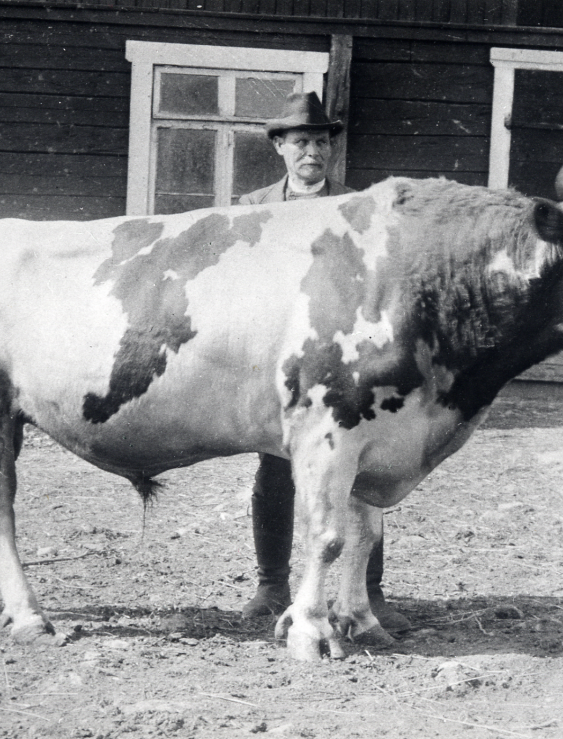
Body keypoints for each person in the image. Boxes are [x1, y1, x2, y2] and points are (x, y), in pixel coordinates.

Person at [237, 91, 410, 633]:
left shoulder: (359, 209)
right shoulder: (249, 208)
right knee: (275, 466)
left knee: (356, 473)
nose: (311, 151)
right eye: (300, 142)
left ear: (331, 148)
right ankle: (270, 586)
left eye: (320, 141)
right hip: (276, 355)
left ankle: (370, 592)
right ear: (280, 148)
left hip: (340, 361)